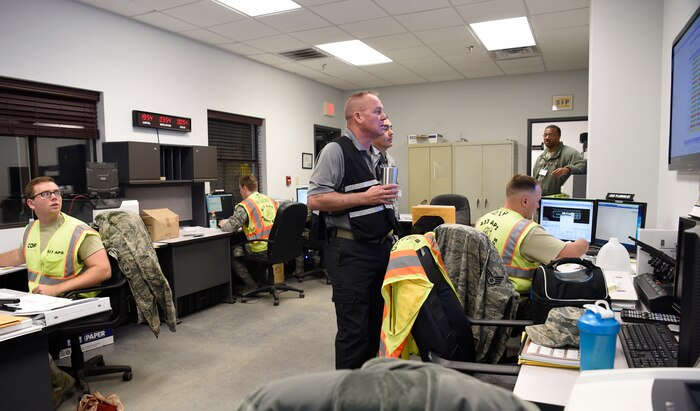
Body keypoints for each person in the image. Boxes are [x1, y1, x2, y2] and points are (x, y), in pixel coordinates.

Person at [0, 176, 112, 408]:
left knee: (21, 333)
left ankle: (61, 381)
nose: (54, 197)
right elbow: (21, 255)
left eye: (56, 192)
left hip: (73, 301)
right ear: (31, 204)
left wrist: (57, 289)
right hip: (39, 302)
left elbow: (103, 269)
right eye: (46, 194)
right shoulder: (32, 229)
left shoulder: (78, 230)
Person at [308, 90, 399, 369]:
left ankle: (367, 384)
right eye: (378, 111)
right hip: (350, 252)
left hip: (379, 248)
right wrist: (365, 197)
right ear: (358, 117)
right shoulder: (336, 151)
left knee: (375, 324)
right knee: (355, 330)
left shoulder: (377, 156)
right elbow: (315, 200)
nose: (384, 118)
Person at [475, 175, 588, 296]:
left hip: (484, 297)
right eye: (537, 201)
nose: (538, 206)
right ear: (525, 201)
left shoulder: (482, 220)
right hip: (515, 302)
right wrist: (584, 241)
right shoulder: (525, 229)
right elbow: (572, 254)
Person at [218, 174, 278, 294]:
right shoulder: (270, 200)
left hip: (260, 247)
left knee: (233, 252)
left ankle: (251, 286)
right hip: (276, 246)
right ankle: (264, 281)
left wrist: (223, 223)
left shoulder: (246, 205)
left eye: (240, 189)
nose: (240, 192)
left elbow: (229, 228)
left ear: (245, 188)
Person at [532, 125, 587, 196]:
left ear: (558, 137)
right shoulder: (541, 157)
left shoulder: (570, 153)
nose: (547, 137)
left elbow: (583, 166)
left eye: (551, 135)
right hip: (540, 200)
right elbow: (534, 178)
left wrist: (568, 169)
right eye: (545, 135)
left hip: (558, 202)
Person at [372, 117, 400, 220]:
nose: (391, 132)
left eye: (391, 128)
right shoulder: (364, 159)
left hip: (389, 224)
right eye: (385, 129)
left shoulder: (390, 160)